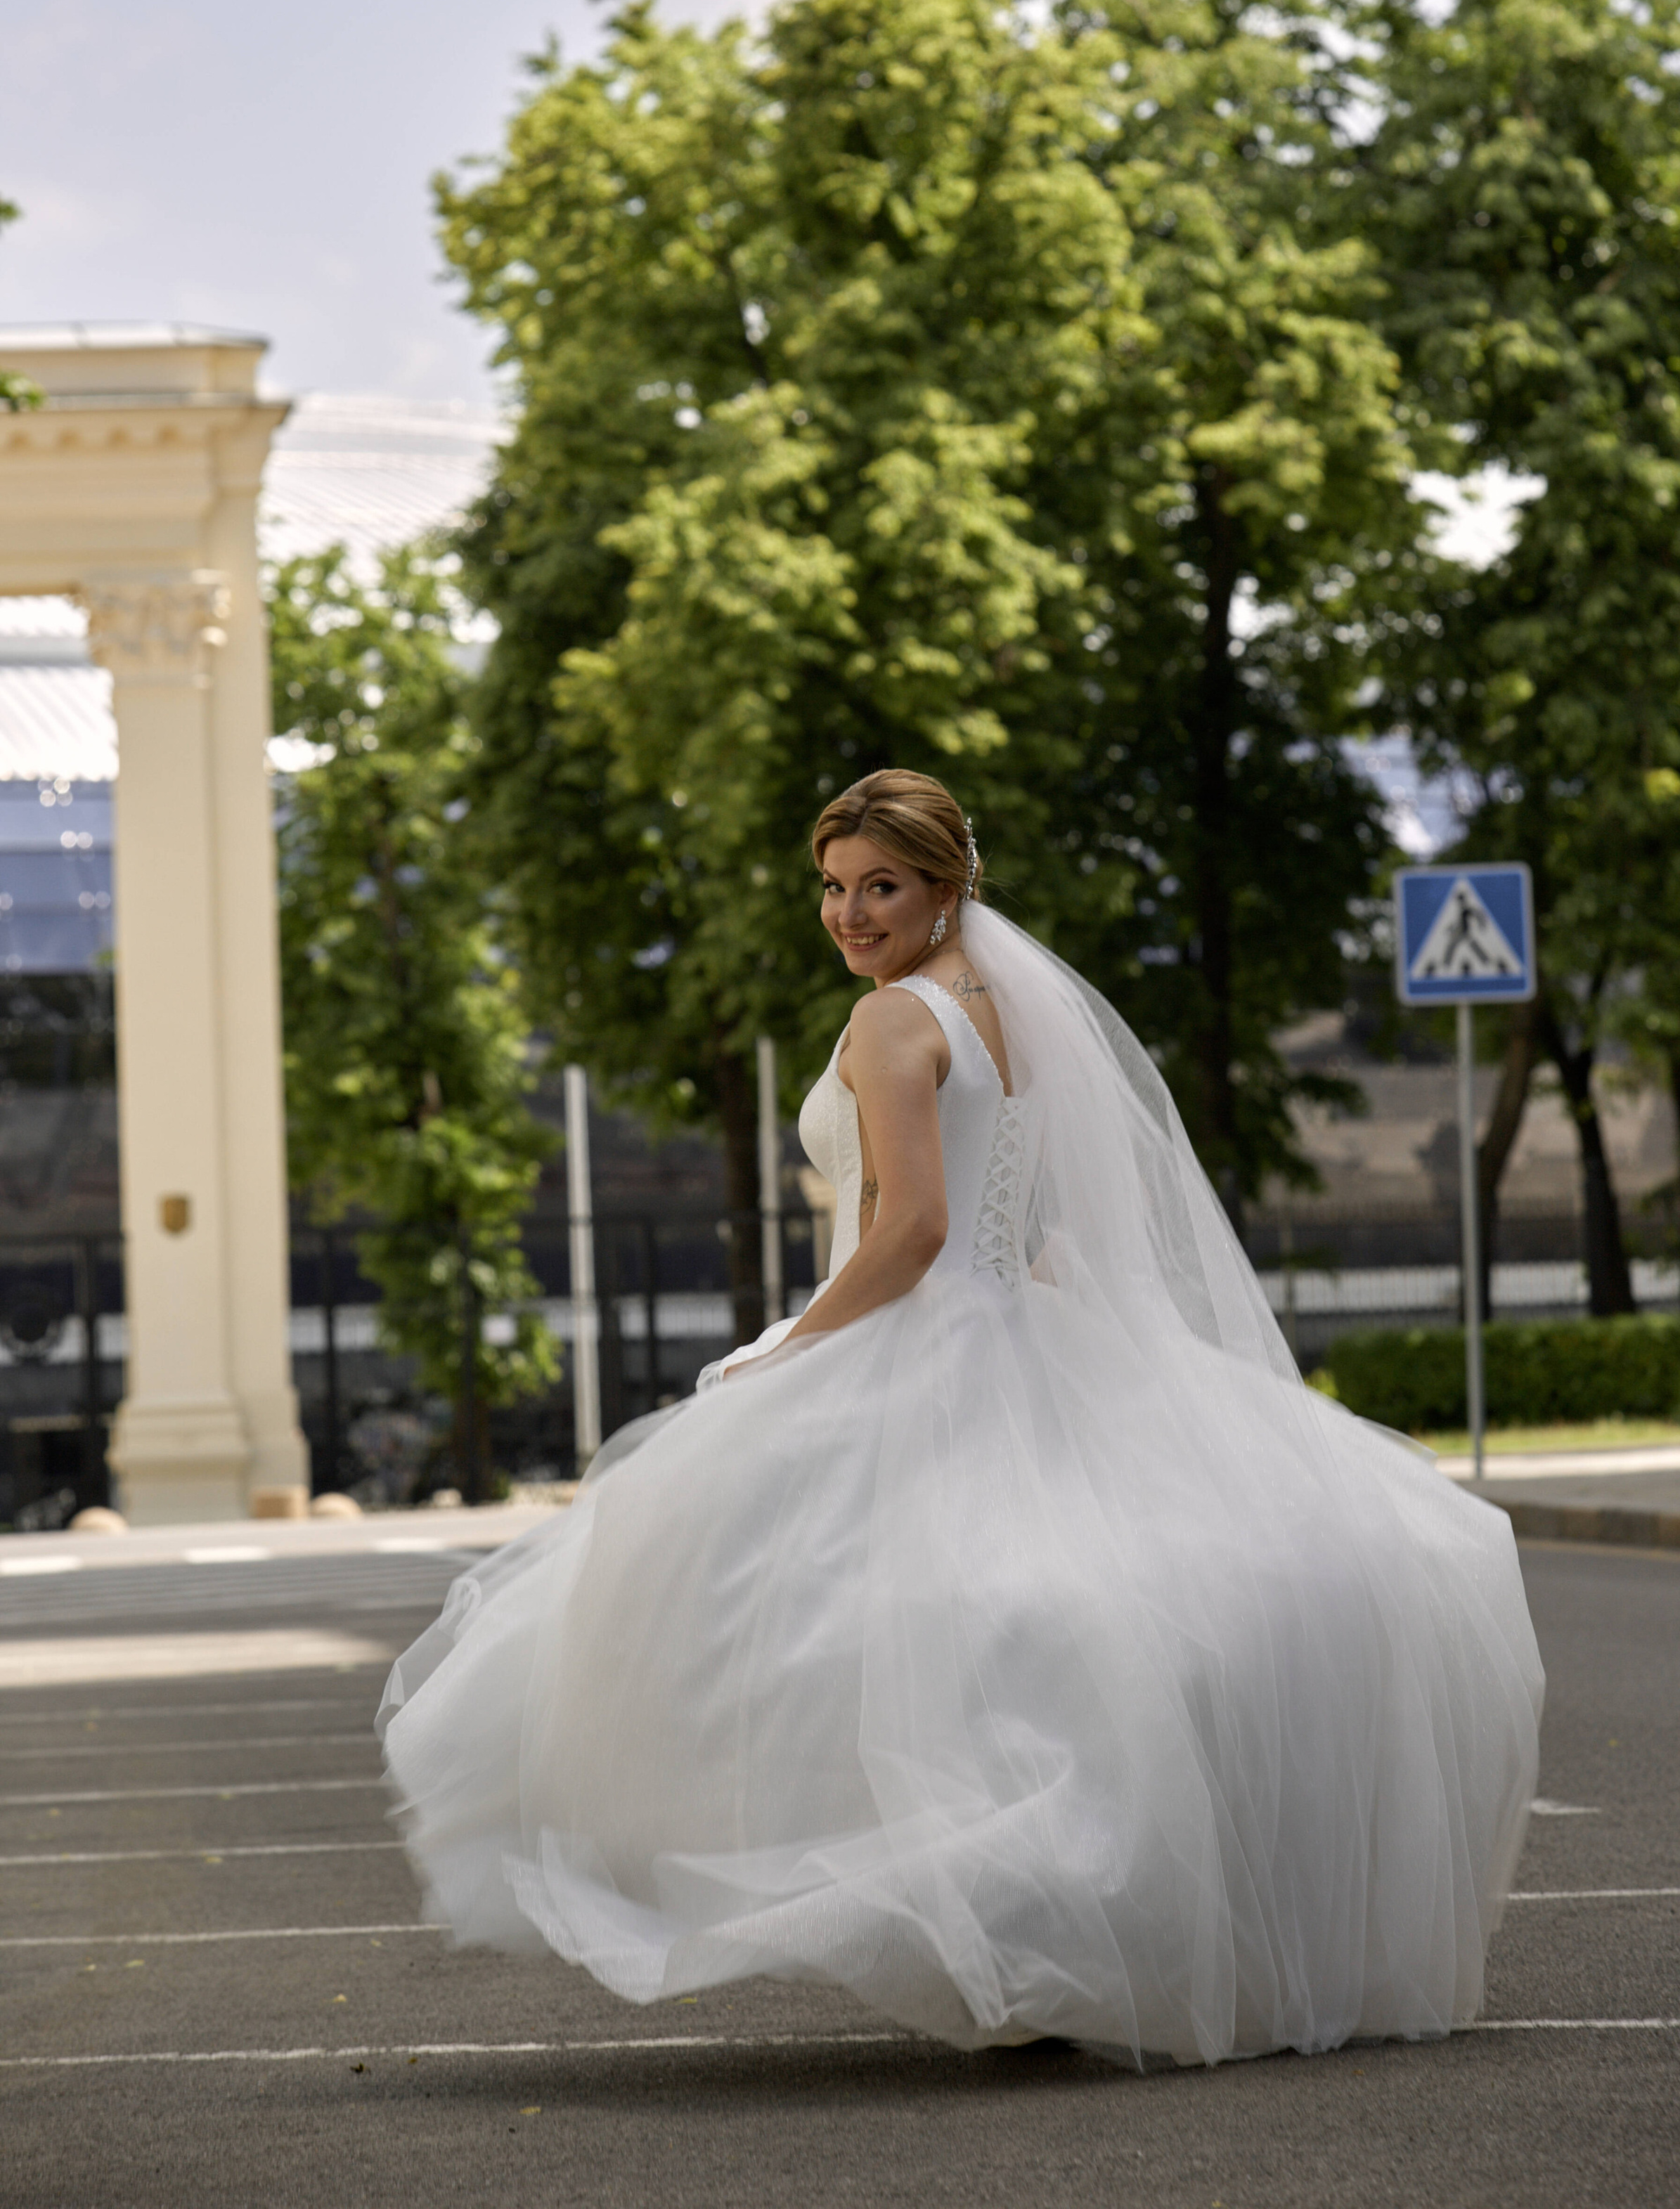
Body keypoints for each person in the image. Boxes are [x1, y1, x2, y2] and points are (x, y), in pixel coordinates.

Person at [379, 769, 1542, 2066]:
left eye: (881, 886)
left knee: (801, 1616)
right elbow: (1021, 1214)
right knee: (1026, 1628)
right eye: (833, 886)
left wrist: (790, 1352)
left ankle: (976, 1910)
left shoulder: (891, 1025)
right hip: (1021, 1325)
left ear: (948, 888)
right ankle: (1056, 1926)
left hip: (923, 1335)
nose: (850, 914)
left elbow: (919, 1229)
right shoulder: (1015, 1015)